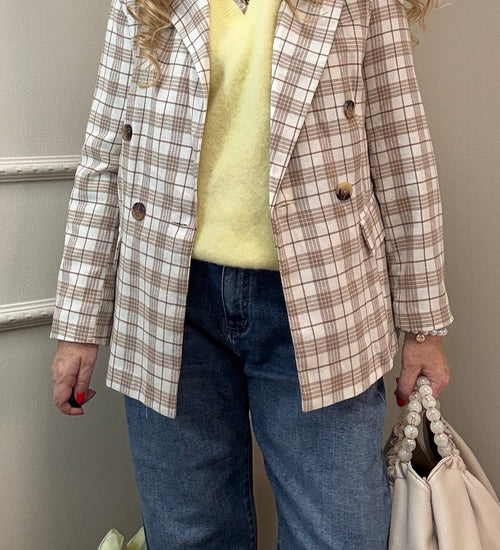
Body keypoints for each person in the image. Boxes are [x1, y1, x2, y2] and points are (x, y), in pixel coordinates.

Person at [50, 0, 453, 547]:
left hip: (322, 297)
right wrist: (78, 325)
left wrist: (424, 327)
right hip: (167, 299)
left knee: (336, 535)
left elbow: (402, 153)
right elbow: (104, 160)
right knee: (190, 535)